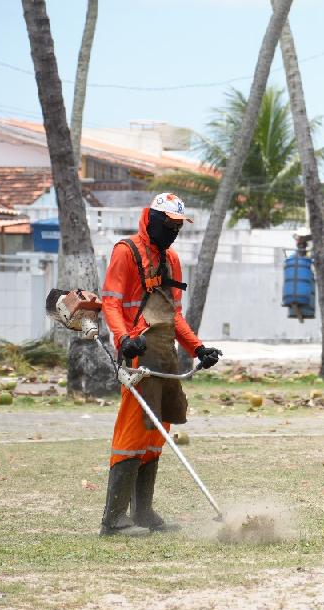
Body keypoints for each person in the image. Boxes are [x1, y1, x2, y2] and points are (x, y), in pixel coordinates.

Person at [99, 193, 222, 537]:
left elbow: (174, 315)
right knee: (132, 434)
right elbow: (111, 303)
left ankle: (143, 513)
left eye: (178, 226)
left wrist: (198, 348)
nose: (172, 231)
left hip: (165, 354)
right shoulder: (126, 252)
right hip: (138, 354)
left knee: (157, 434)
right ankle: (113, 520)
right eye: (168, 224)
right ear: (150, 219)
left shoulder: (172, 261)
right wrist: (124, 339)